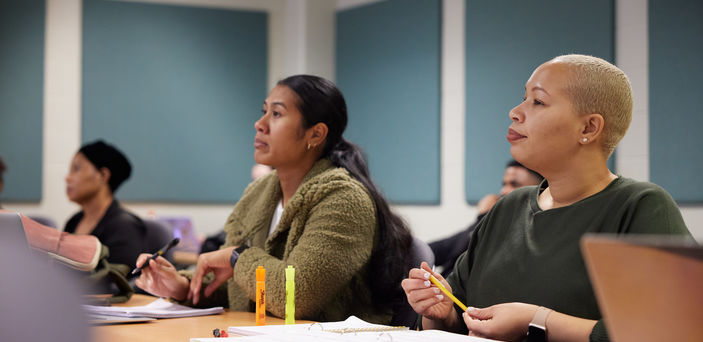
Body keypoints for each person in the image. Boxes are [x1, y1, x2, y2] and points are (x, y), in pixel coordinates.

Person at [401, 54, 692, 342]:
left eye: (537, 101)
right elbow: (458, 319)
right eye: (523, 98)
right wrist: (439, 313)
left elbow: (671, 330)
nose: (515, 111)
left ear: (588, 128)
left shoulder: (640, 206)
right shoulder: (508, 208)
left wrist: (537, 320)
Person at [136, 75, 413, 323]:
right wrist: (183, 286)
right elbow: (238, 285)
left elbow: (296, 296)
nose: (260, 124)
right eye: (263, 111)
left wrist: (236, 257)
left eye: (277, 114)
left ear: (315, 134)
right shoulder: (258, 194)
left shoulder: (344, 199)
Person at [429, 159, 542, 277]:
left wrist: (483, 219)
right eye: (504, 184)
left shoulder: (531, 235)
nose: (503, 191)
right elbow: (441, 248)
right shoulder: (492, 222)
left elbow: (479, 263)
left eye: (514, 184)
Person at [64, 140, 147, 269]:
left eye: (76, 169)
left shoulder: (124, 227)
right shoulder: (73, 221)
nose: (67, 178)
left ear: (103, 175)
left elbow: (116, 281)